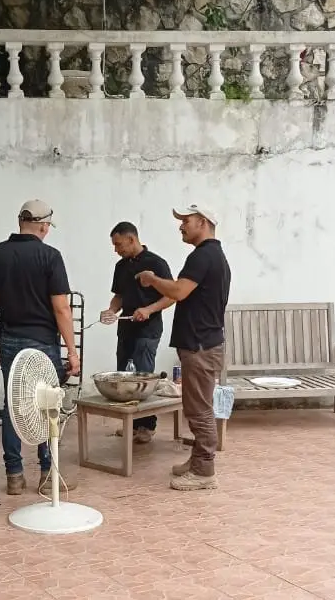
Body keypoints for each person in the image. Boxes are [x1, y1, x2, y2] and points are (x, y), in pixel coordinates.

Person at [0, 200, 80, 496]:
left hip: (9, 341)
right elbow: (61, 308)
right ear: (44, 226)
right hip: (43, 343)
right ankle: (48, 475)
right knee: (47, 406)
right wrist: (71, 351)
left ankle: (14, 475)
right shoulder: (50, 256)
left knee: (14, 406)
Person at [136, 204, 230, 491]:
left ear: (202, 222)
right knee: (195, 405)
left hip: (201, 345)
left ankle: (204, 471)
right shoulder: (211, 255)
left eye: (185, 221)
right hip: (202, 342)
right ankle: (198, 460)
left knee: (199, 408)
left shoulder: (203, 256)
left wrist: (152, 279)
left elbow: (178, 292)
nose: (181, 226)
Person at [99, 222, 175, 444]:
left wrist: (148, 310)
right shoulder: (120, 267)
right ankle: (131, 424)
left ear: (132, 239)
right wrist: (111, 311)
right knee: (124, 377)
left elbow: (171, 296)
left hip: (148, 330)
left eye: (118, 244)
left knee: (143, 376)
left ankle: (147, 427)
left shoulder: (157, 264)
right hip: (126, 329)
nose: (116, 249)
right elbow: (119, 296)